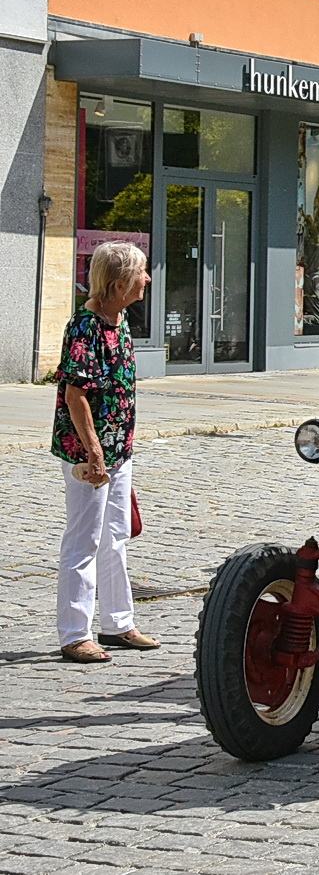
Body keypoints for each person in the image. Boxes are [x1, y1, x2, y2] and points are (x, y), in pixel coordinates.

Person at [53, 241, 157, 664]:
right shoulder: (86, 327)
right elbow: (75, 395)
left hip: (119, 448)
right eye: (141, 274)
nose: (147, 280)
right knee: (84, 537)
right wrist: (95, 453)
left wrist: (118, 450)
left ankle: (117, 623)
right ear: (119, 283)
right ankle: (75, 632)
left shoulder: (121, 318)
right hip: (87, 451)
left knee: (115, 535)